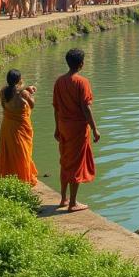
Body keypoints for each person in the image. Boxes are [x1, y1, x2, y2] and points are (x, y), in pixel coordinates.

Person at [53, 48, 100, 212]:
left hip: (63, 126)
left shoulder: (59, 81)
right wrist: (95, 129)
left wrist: (56, 127)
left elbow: (56, 108)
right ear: (81, 64)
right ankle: (73, 203)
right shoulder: (82, 82)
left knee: (65, 161)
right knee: (76, 164)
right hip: (78, 128)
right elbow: (86, 108)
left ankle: (63, 198)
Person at [0, 69, 38, 186]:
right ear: (19, 80)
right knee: (22, 153)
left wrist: (25, 89)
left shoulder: (3, 91)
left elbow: (3, 105)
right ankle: (23, 177)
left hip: (7, 125)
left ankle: (8, 175)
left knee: (9, 152)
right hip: (20, 127)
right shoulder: (23, 93)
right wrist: (30, 92)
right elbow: (32, 105)